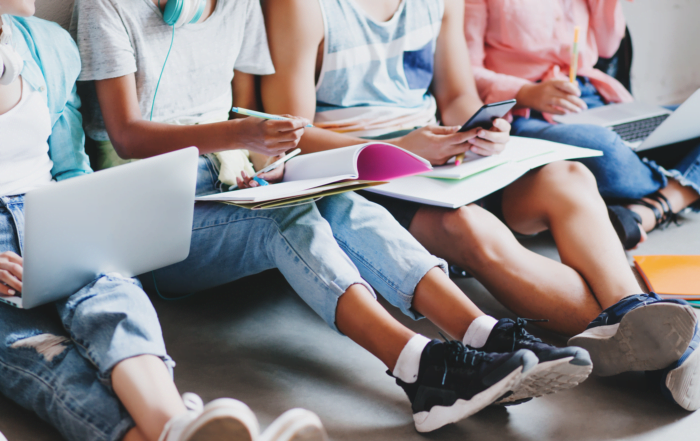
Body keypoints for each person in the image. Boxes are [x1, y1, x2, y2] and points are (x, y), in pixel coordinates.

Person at [71, 0, 599, 432]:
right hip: (155, 212)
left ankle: (482, 333)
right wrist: (240, 136)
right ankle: (420, 369)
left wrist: (270, 155)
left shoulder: (236, 5)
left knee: (341, 198)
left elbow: (247, 113)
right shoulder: (105, 8)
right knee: (283, 221)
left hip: (231, 183)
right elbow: (128, 136)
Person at [260, 0, 700, 410]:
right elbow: (289, 139)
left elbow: (457, 99)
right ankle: (674, 353)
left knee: (568, 176)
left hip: (440, 156)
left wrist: (484, 131)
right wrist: (398, 145)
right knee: (470, 227)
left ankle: (634, 311)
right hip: (368, 173)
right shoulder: (302, 7)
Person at [0, 2, 333, 441]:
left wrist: (93, 217)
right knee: (48, 356)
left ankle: (177, 425)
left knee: (115, 301)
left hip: (53, 214)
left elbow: (69, 168)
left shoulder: (44, 45)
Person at [463, 0, 700, 250]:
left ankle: (653, 209)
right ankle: (680, 186)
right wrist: (525, 91)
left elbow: (608, 47)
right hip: (529, 111)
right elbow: (463, 73)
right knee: (604, 150)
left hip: (596, 99)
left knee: (620, 144)